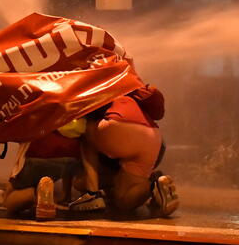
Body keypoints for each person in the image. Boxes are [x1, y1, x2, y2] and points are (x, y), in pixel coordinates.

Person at [70, 85, 179, 217]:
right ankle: (154, 185)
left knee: (84, 132)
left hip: (118, 127)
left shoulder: (101, 85)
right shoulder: (131, 88)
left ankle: (92, 193)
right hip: (153, 136)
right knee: (123, 200)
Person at [2, 127, 83, 219]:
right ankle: (63, 196)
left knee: (8, 201)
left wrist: (12, 182)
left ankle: (37, 194)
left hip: (39, 151)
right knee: (64, 164)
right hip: (73, 155)